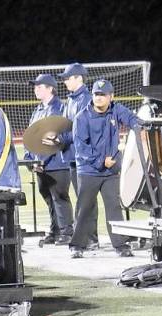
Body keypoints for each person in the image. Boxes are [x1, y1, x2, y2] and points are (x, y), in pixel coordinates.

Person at [68, 79, 140, 258]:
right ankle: (77, 245)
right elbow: (81, 147)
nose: (98, 98)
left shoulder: (117, 110)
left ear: (111, 96)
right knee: (85, 208)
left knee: (114, 207)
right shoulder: (82, 117)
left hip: (110, 172)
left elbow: (132, 119)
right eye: (96, 94)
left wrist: (143, 127)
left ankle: (120, 245)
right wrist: (101, 161)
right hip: (89, 170)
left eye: (102, 95)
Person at [23, 74, 74, 245]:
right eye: (35, 86)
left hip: (57, 162)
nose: (36, 89)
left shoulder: (61, 108)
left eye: (40, 86)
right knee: (47, 196)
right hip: (40, 164)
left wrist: (45, 158)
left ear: (51, 88)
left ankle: (67, 232)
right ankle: (55, 230)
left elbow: (64, 134)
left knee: (59, 197)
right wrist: (30, 159)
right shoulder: (38, 110)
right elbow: (32, 136)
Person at [58, 62, 99, 249]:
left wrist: (64, 139)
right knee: (81, 197)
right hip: (73, 157)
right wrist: (58, 139)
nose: (65, 81)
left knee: (87, 198)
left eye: (68, 78)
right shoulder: (71, 100)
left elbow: (84, 129)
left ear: (79, 78)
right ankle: (87, 236)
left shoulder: (87, 99)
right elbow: (68, 127)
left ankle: (91, 238)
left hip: (84, 158)